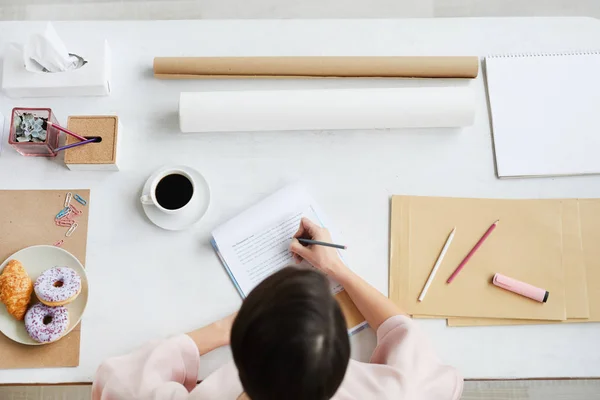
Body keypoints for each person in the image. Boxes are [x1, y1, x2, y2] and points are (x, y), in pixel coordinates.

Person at [92, 218, 462, 400]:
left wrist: (222, 330)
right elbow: (402, 330)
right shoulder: (394, 394)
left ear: (241, 349)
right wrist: (339, 270)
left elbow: (117, 381)